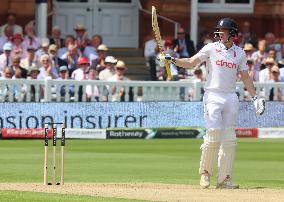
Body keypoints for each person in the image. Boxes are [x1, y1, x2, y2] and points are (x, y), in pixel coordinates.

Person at [158, 18, 265, 189]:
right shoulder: (211, 48)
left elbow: (245, 77)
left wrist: (255, 97)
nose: (220, 33)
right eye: (219, 31)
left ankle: (225, 179)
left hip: (231, 96)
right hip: (213, 95)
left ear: (232, 33)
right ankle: (205, 173)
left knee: (229, 139)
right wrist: (172, 59)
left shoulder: (240, 53)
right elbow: (192, 62)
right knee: (214, 134)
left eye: (223, 31)